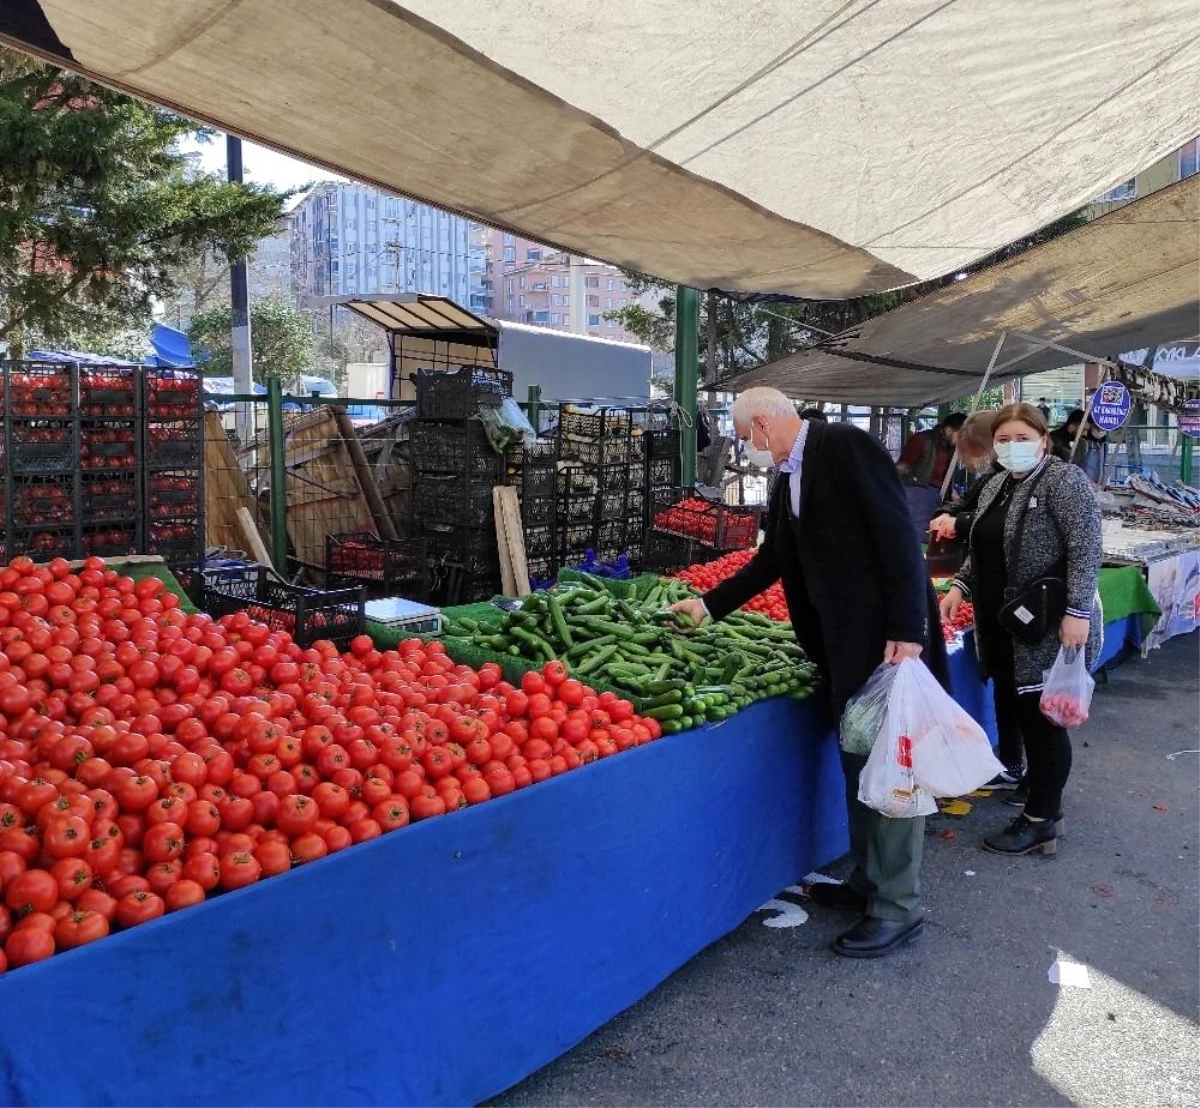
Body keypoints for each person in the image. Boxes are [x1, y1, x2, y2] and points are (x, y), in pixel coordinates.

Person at [670, 387, 948, 958]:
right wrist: (708, 605)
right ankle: (868, 882)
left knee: (890, 772)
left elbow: (899, 535)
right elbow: (774, 559)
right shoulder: (785, 477)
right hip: (842, 646)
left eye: (744, 434)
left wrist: (908, 630)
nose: (745, 446)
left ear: (764, 425)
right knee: (858, 764)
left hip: (885, 644)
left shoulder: (844, 446)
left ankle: (899, 907)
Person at [940, 404, 1103, 856]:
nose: (1012, 447)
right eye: (1004, 440)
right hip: (1003, 620)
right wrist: (960, 584)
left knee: (1044, 719)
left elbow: (1087, 548)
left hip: (1048, 622)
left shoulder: (1063, 481)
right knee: (1022, 710)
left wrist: (1078, 613)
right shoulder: (995, 484)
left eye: (1021, 438)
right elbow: (983, 546)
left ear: (1043, 439)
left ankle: (1042, 819)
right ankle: (1035, 788)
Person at [896, 412, 967, 533]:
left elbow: (946, 474)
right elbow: (903, 466)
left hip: (942, 493)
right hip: (919, 493)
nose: (962, 440)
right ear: (949, 430)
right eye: (960, 435)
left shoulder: (952, 448)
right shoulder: (922, 440)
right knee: (921, 533)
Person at [1050, 409, 1107, 485]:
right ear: (1071, 426)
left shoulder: (1078, 438)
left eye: (1087, 430)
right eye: (1083, 430)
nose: (1085, 434)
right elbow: (1068, 460)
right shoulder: (1056, 439)